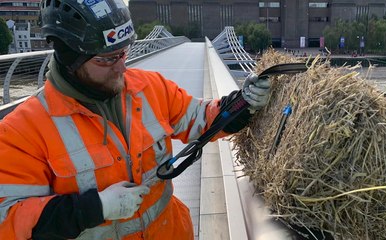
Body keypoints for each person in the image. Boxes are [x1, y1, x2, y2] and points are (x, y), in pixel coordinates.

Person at [0, 0, 270, 239]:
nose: (122, 67)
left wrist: (243, 103)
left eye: (123, 53)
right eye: (107, 59)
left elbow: (201, 119)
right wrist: (95, 208)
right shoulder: (22, 131)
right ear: (70, 57)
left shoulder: (149, 88)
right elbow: (9, 219)